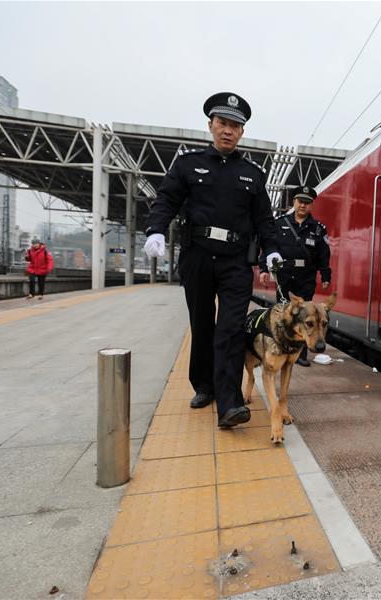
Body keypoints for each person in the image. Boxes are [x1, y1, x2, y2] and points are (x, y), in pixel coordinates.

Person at [144, 92, 281, 429]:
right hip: (198, 256)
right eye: (222, 123)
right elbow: (167, 199)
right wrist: (155, 230)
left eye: (235, 126)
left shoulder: (252, 173)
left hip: (236, 261)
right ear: (211, 125)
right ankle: (204, 386)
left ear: (242, 132)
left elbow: (264, 218)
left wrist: (274, 248)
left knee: (231, 329)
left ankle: (230, 403)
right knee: (202, 324)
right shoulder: (188, 165)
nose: (228, 131)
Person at [258, 185, 331, 366]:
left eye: (307, 203)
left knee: (307, 316)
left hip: (306, 277)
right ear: (294, 202)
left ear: (311, 205)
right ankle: (281, 348)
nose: (303, 206)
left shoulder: (317, 229)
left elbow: (324, 254)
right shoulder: (279, 223)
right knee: (283, 314)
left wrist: (326, 276)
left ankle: (301, 354)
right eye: (300, 202)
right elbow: (269, 248)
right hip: (284, 276)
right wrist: (264, 269)